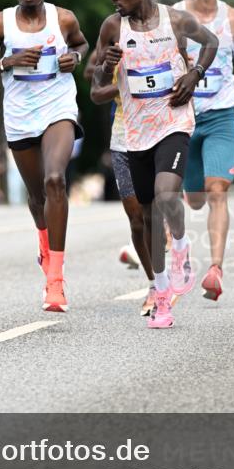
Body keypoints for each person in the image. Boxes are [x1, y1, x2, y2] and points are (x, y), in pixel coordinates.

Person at [91, 0, 217, 329]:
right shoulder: (112, 27)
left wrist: (194, 75)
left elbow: (211, 42)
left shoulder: (175, 20)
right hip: (135, 130)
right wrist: (105, 65)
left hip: (174, 122)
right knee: (148, 215)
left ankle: (180, 245)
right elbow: (97, 87)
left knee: (166, 196)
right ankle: (162, 296)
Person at [0, 0, 89, 313]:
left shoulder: (63, 18)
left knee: (56, 181)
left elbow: (83, 45)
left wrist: (76, 59)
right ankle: (44, 242)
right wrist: (9, 61)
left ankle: (55, 279)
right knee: (37, 196)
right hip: (20, 116)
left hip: (58, 110)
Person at [173, 0, 234, 301]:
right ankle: (182, 247)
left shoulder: (233, 18)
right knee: (193, 200)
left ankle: (215, 269)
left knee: (217, 189)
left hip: (222, 115)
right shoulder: (175, 16)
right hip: (185, 117)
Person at [85, 48, 156, 314]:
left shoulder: (165, 31)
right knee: (137, 220)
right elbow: (94, 88)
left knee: (154, 213)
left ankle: (164, 278)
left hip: (159, 136)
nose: (118, 3)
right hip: (123, 140)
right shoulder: (112, 35)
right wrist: (117, 80)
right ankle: (154, 283)